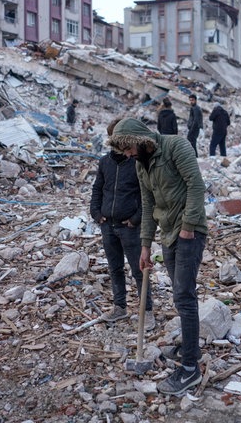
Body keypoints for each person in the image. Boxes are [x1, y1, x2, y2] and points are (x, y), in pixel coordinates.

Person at [108, 117, 207, 396]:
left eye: (128, 149)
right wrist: (145, 245)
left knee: (184, 296)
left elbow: (196, 186)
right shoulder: (141, 164)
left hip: (190, 232)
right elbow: (149, 202)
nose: (127, 155)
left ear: (140, 141)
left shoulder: (176, 146)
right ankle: (192, 349)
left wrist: (188, 227)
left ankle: (190, 370)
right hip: (168, 234)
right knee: (181, 295)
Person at [90, 119, 155, 331]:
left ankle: (147, 311)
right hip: (108, 225)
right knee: (115, 268)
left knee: (139, 270)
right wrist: (96, 213)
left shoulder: (137, 163)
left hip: (129, 227)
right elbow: (98, 189)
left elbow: (147, 195)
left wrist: (135, 219)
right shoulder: (104, 163)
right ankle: (120, 307)